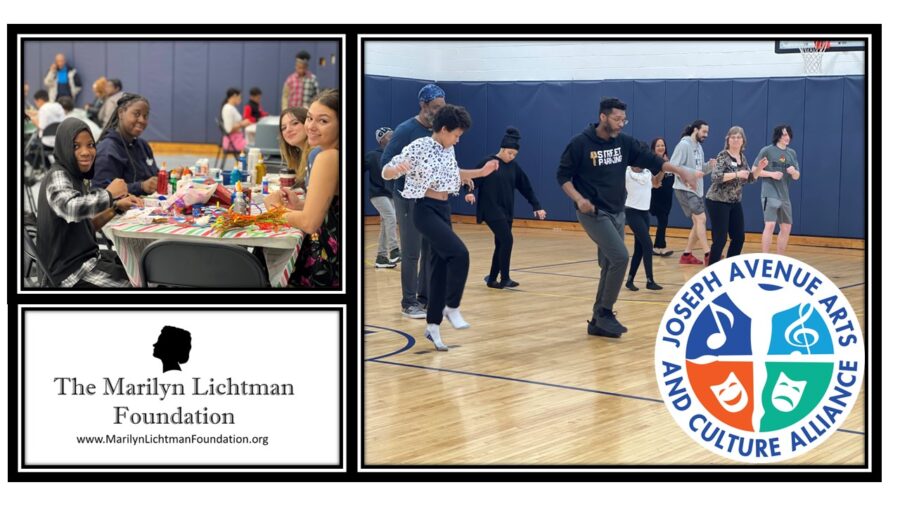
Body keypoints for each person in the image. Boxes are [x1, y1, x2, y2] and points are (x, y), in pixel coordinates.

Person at [557, 97, 698, 338]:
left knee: (609, 264)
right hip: (593, 213)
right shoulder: (580, 144)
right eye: (617, 119)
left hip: (617, 211)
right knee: (621, 257)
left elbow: (654, 161)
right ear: (603, 117)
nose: (622, 123)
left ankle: (597, 322)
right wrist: (578, 199)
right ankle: (606, 312)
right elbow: (563, 176)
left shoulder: (624, 143)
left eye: (624, 119)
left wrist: (681, 170)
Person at [382, 104, 499, 351]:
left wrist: (481, 172)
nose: (457, 140)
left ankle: (432, 326)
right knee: (460, 254)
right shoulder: (419, 146)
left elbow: (454, 175)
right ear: (444, 129)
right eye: (456, 135)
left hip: (444, 210)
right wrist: (395, 169)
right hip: (424, 209)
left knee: (439, 268)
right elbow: (386, 170)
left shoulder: (447, 151)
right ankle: (452, 306)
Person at [36, 117, 143, 287]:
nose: (86, 152)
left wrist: (115, 208)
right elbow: (71, 208)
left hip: (88, 260)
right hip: (69, 273)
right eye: (76, 146)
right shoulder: (58, 175)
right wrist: (109, 194)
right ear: (64, 147)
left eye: (90, 145)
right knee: (137, 283)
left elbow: (87, 227)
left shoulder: (77, 177)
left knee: (140, 267)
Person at [380, 83, 447, 318]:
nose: (440, 111)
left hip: (431, 199)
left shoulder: (440, 131)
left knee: (431, 248)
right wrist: (399, 178)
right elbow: (385, 162)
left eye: (443, 106)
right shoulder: (406, 130)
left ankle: (424, 298)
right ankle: (408, 302)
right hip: (407, 198)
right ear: (423, 105)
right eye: (436, 106)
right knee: (411, 251)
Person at [264, 89, 341, 289]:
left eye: (323, 121)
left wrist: (274, 211)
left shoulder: (327, 157)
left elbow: (308, 223)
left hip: (326, 260)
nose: (311, 127)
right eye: (309, 118)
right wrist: (299, 205)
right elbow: (331, 208)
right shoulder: (329, 154)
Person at [465, 127, 545, 288]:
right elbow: (472, 178)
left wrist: (536, 206)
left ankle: (493, 279)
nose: (512, 156)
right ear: (502, 149)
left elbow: (526, 187)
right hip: (490, 209)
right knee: (507, 240)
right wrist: (469, 192)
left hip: (506, 210)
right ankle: (505, 278)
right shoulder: (489, 162)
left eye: (514, 154)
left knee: (501, 243)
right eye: (509, 153)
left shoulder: (514, 167)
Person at [705, 126, 756, 265]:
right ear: (728, 140)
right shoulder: (723, 155)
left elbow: (750, 179)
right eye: (733, 137)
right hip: (717, 200)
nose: (735, 140)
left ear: (743, 141)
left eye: (738, 137)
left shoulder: (742, 157)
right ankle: (712, 269)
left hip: (734, 201)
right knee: (720, 239)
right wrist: (736, 174)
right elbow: (716, 177)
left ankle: (728, 267)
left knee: (739, 237)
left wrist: (760, 169)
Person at [92, 93, 159, 196]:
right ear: (121, 113)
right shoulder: (107, 150)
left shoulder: (143, 145)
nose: (142, 120)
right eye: (136, 114)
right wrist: (141, 186)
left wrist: (172, 175)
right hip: (120, 211)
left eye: (145, 116)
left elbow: (154, 176)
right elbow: (101, 192)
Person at [671, 120, 717, 265]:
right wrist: (692, 172)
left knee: (697, 222)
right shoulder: (683, 145)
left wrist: (709, 166)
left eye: (707, 132)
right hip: (685, 188)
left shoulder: (698, 147)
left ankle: (686, 255)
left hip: (696, 189)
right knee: (701, 219)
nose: (706, 135)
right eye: (704, 131)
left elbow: (700, 170)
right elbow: (672, 166)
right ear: (695, 130)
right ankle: (708, 254)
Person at [754, 124, 800, 255]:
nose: (787, 137)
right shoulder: (767, 150)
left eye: (789, 134)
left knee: (786, 227)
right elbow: (754, 171)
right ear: (778, 135)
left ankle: (780, 258)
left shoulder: (792, 153)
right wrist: (771, 174)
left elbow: (797, 176)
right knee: (770, 225)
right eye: (784, 134)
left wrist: (793, 172)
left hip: (784, 196)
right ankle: (765, 257)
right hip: (770, 193)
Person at [364, 127, 400, 268]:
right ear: (381, 139)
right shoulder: (372, 155)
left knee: (386, 223)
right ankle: (394, 251)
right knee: (391, 217)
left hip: (390, 194)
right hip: (378, 194)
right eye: (389, 135)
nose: (392, 137)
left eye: (393, 135)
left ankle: (381, 257)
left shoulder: (395, 156)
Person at [624, 159, 663, 291]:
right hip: (631, 212)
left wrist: (663, 170)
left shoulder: (647, 172)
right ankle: (649, 280)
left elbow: (656, 183)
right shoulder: (626, 172)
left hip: (644, 213)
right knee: (647, 244)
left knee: (639, 248)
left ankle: (629, 280)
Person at [648, 137, 674, 256]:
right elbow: (656, 182)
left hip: (667, 197)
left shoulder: (668, 161)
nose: (661, 147)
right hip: (656, 197)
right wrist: (663, 167)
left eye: (662, 145)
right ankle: (660, 246)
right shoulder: (653, 162)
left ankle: (657, 246)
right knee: (662, 221)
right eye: (658, 145)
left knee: (663, 221)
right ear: (653, 148)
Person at [278, 106, 311, 189]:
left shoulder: (316, 154)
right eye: (283, 128)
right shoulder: (300, 155)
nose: (288, 130)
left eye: (295, 123)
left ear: (308, 124)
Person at [221, 88, 250, 153]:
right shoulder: (228, 109)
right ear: (234, 96)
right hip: (232, 142)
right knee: (255, 147)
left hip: (236, 139)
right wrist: (242, 124)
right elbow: (229, 129)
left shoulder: (231, 108)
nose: (241, 99)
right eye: (240, 97)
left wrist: (242, 123)